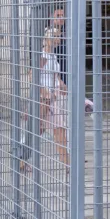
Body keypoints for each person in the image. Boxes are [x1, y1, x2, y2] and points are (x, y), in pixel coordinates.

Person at [40, 31, 68, 167]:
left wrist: (61, 84)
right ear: (47, 38)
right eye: (55, 36)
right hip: (47, 98)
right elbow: (32, 75)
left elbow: (54, 74)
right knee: (58, 128)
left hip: (55, 94)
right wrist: (44, 92)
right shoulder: (42, 56)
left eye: (58, 36)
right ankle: (68, 163)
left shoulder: (53, 55)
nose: (58, 38)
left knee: (39, 129)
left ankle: (21, 157)